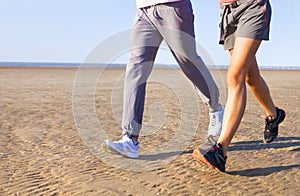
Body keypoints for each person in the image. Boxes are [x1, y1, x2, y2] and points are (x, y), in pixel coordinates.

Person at [104, 0, 224, 158]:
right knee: (136, 67)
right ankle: (130, 139)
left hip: (173, 6)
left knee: (187, 60)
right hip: (143, 10)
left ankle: (215, 106)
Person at [193, 0, 286, 172]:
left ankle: (221, 150)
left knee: (235, 76)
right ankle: (274, 115)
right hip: (228, 13)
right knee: (251, 77)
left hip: (251, 7)